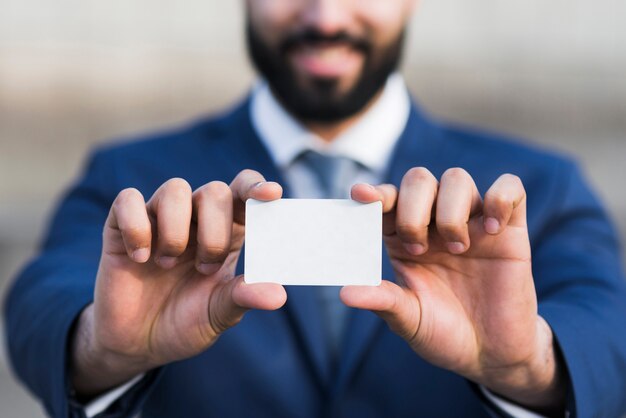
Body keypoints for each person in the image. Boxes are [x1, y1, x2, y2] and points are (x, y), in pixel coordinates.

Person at [5, 1, 626, 417]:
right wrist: (102, 350)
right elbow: (42, 297)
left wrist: (529, 368)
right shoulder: (129, 176)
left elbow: (610, 327)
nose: (325, 16)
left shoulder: (532, 190)